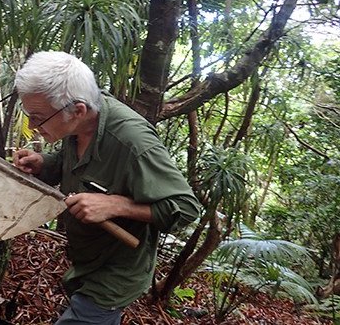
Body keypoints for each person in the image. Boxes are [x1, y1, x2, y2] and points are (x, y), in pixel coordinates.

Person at [12, 51, 201, 325]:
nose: (32, 126)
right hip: (86, 260)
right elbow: (73, 163)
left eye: (38, 118)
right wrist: (44, 163)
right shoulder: (81, 121)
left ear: (77, 110)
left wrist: (116, 204)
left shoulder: (134, 142)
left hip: (116, 272)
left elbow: (185, 208)